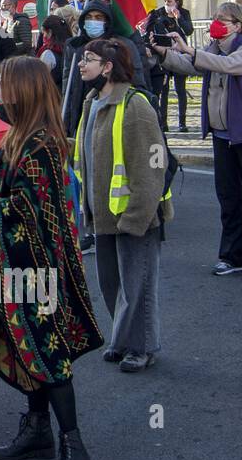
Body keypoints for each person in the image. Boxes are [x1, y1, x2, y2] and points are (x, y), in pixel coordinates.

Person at [0, 56, 102, 460]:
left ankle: (75, 446)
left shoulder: (43, 145)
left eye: (1, 84)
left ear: (23, 91)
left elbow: (29, 209)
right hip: (13, 267)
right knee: (22, 348)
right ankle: (38, 431)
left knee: (48, 355)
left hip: (39, 272)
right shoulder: (19, 137)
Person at [153, 2, 242, 279]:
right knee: (228, 198)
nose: (216, 23)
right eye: (214, 17)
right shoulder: (212, 51)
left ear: (237, 25)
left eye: (222, 19)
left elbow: (226, 66)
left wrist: (191, 51)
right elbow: (190, 64)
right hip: (222, 135)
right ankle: (232, 256)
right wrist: (164, 52)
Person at [72, 39, 170, 373]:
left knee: (137, 286)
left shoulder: (135, 106)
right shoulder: (92, 102)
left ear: (109, 66)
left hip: (133, 217)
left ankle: (141, 348)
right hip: (103, 217)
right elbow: (87, 153)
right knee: (112, 285)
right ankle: (123, 339)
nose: (82, 65)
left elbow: (152, 166)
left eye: (89, 59)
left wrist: (137, 216)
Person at [61, 0, 147, 138]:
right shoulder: (75, 46)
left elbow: (137, 81)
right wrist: (65, 120)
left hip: (113, 111)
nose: (93, 21)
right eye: (88, 17)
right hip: (81, 110)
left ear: (107, 21)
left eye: (98, 17)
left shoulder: (121, 46)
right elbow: (68, 85)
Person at [145, 0, 194, 132]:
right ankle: (163, 122)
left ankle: (182, 122)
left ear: (177, 2)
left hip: (180, 54)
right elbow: (151, 30)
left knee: (180, 89)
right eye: (165, 1)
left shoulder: (183, 13)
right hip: (164, 54)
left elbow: (189, 31)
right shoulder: (158, 13)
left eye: (170, 2)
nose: (167, 4)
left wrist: (179, 19)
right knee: (164, 90)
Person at [37, 13, 71, 83]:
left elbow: (40, 81)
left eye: (43, 32)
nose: (43, 36)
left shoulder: (48, 54)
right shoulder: (71, 48)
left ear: (50, 32)